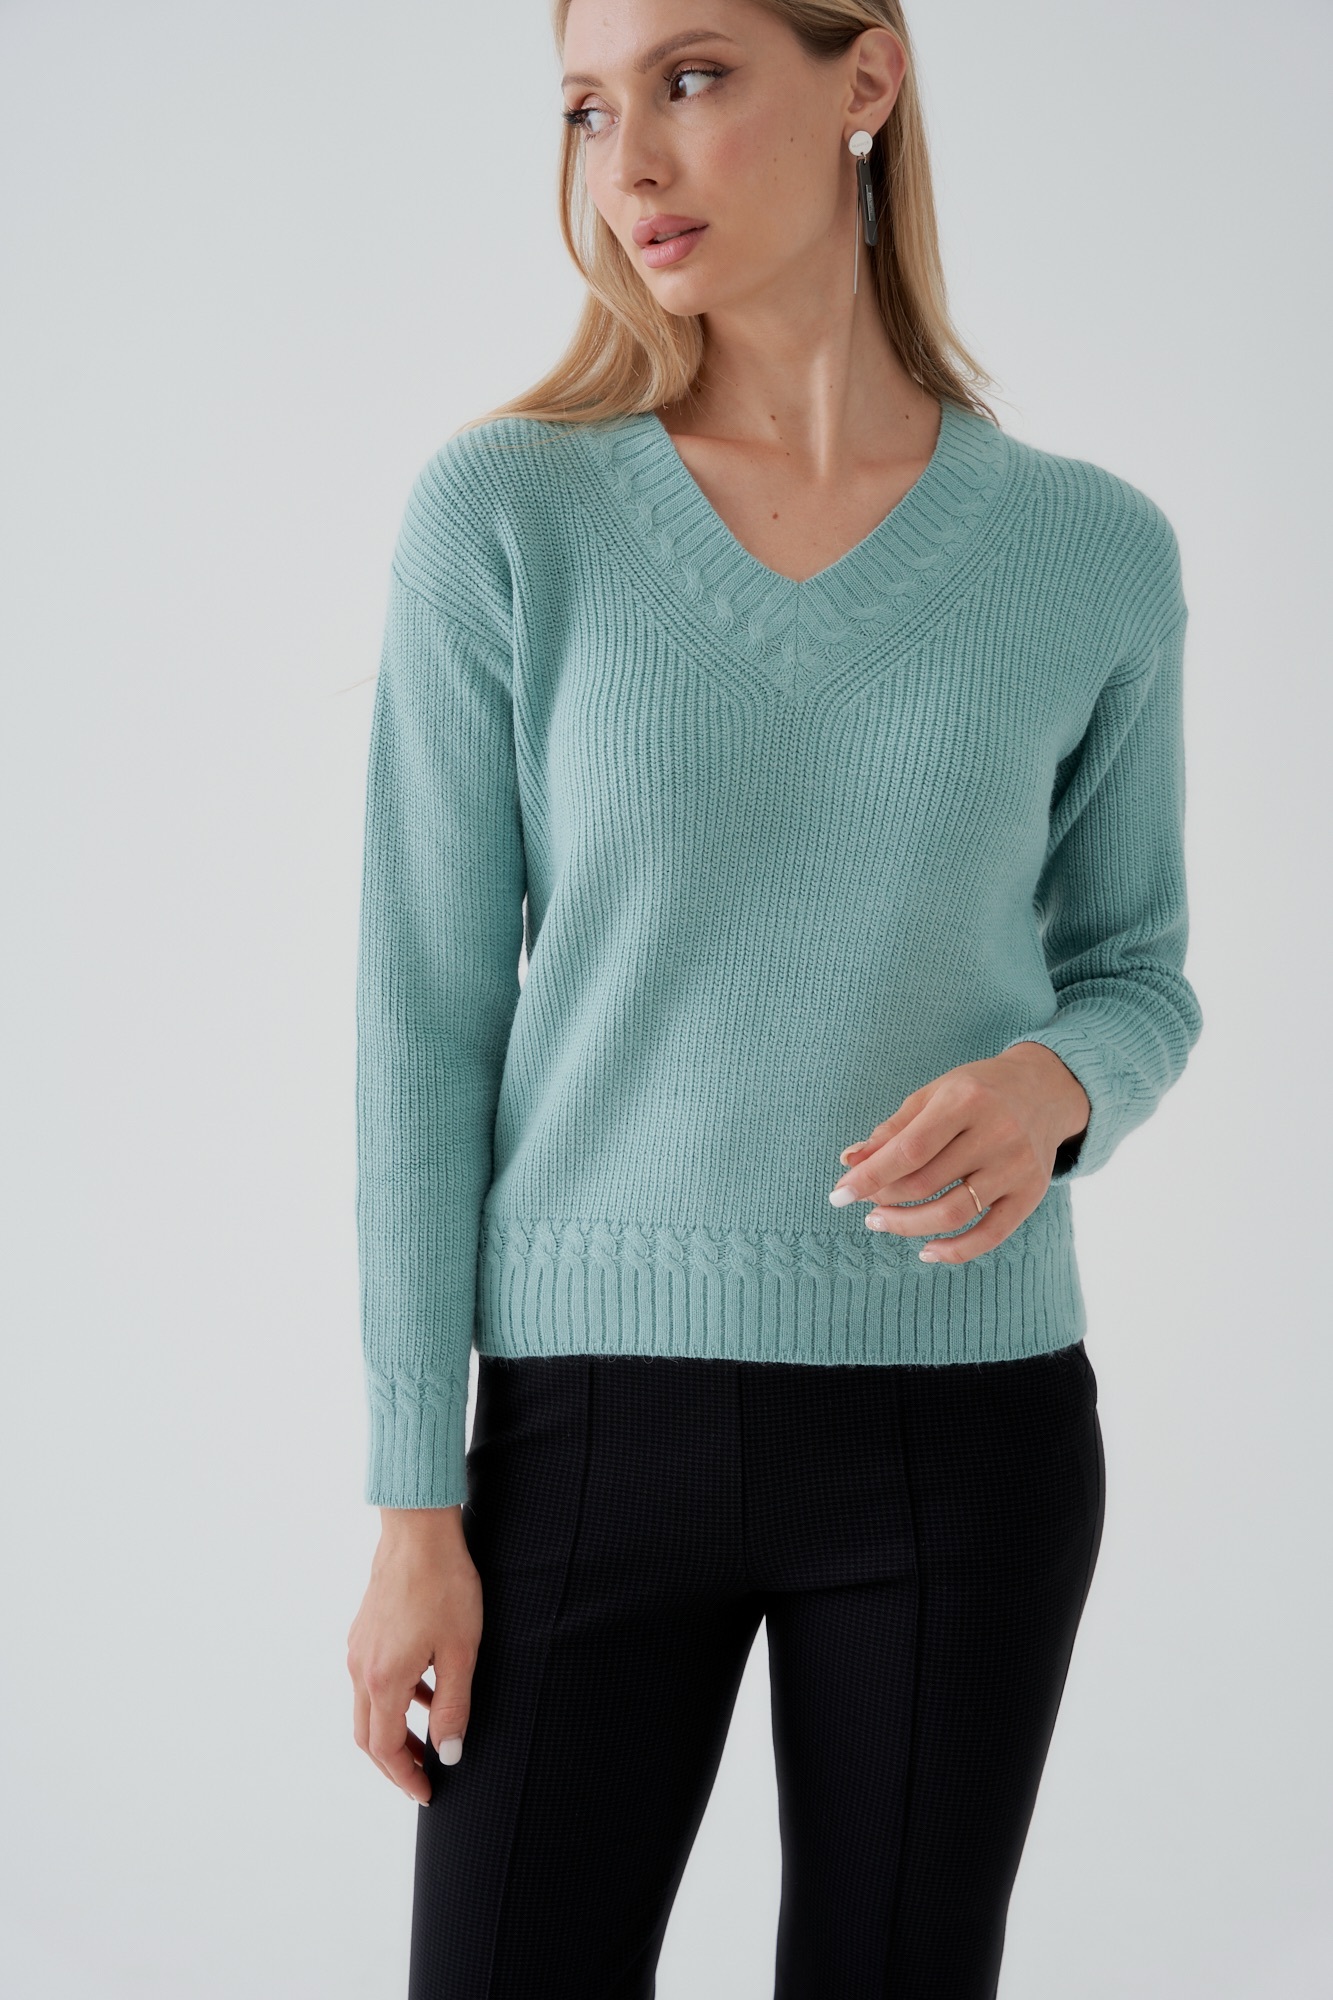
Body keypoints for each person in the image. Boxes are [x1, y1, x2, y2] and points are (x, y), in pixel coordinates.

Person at [345, 2, 1204, 1993]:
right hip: (578, 1434)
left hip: (961, 1435)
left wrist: (1057, 1082)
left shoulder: (1089, 550)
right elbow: (420, 1026)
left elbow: (1138, 970)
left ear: (866, 80)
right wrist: (411, 1503)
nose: (627, 163)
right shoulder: (506, 515)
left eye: (693, 76)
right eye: (586, 108)